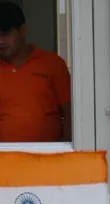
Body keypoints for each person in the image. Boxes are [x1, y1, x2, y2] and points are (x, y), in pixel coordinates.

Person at [0, 1, 72, 143]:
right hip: (4, 159)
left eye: (5, 33)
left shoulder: (52, 64)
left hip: (47, 157)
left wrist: (70, 153)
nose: (0, 41)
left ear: (22, 31)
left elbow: (70, 112)